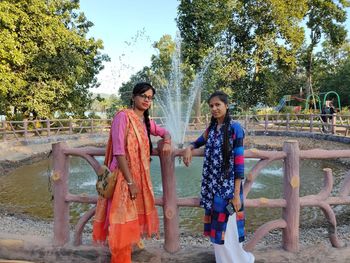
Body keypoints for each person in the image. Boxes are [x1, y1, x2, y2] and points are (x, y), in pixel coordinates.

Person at [92, 82, 171, 263]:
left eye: (150, 98)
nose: (146, 100)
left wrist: (167, 140)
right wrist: (130, 182)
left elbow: (165, 131)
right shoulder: (123, 117)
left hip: (138, 178)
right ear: (134, 97)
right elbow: (119, 151)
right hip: (122, 177)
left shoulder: (146, 122)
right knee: (120, 223)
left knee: (128, 223)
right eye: (143, 96)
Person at [183, 91, 254, 263]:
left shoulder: (235, 129)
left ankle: (237, 260)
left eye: (218, 105)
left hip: (228, 188)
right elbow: (198, 141)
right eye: (211, 106)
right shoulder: (212, 129)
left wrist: (237, 195)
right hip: (212, 186)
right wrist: (189, 147)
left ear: (226, 106)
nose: (214, 109)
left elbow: (238, 163)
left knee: (227, 229)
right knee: (217, 228)